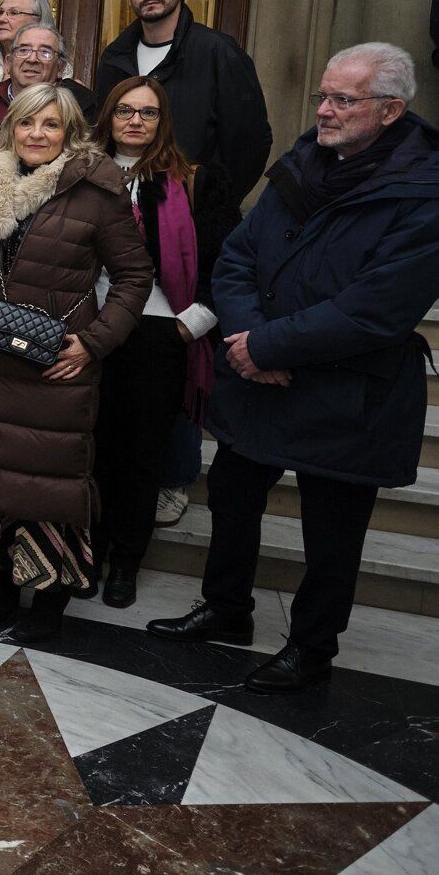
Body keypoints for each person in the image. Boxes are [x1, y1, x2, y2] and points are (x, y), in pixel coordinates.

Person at [149, 43, 439, 693]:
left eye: (342, 99)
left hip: (345, 392)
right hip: (261, 376)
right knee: (231, 494)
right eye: (321, 95)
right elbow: (237, 255)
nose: (323, 110)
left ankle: (311, 649)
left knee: (330, 531)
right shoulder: (304, 159)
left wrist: (266, 347)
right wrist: (249, 338)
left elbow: (375, 309)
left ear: (390, 110)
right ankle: (225, 609)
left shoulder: (422, 190)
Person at [0, 83, 154, 642]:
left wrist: (95, 342)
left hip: (55, 361)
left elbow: (135, 277)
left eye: (51, 125)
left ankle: (51, 591)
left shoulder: (97, 190)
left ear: (71, 133)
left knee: (46, 477)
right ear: (10, 127)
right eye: (27, 123)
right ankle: (2, 582)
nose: (37, 135)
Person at [91, 77, 238, 608]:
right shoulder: (80, 173)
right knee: (90, 450)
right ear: (108, 117)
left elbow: (230, 262)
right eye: (125, 111)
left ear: (163, 122)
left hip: (158, 331)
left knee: (139, 456)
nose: (135, 121)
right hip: (88, 326)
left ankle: (125, 564)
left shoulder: (195, 181)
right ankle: (88, 551)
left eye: (148, 113)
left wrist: (189, 324)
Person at [94, 0, 271, 203]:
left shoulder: (218, 53)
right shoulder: (114, 58)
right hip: (119, 214)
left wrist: (209, 203)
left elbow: (250, 143)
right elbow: (103, 137)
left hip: (193, 217)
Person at [0, 24, 97, 122]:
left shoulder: (82, 106)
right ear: (8, 63)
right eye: (23, 50)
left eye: (45, 52)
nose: (32, 59)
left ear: (60, 68)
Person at [0, 0, 55, 83]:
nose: (2, 19)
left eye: (13, 13)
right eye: (0, 12)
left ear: (37, 19)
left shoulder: (59, 74)